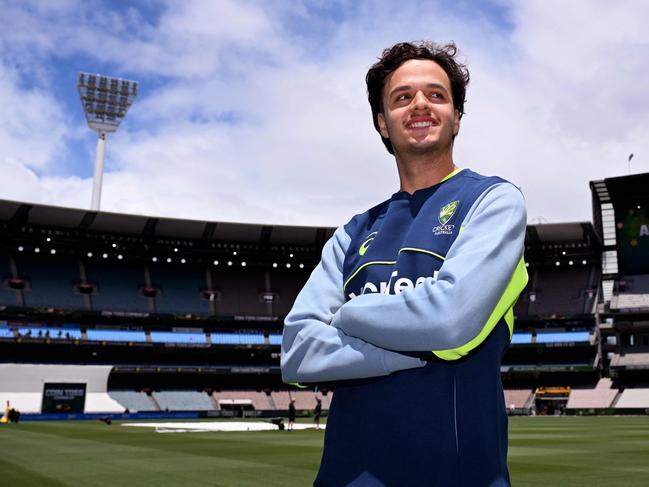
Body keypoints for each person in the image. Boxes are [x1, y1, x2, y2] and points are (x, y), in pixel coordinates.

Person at [281, 41, 527, 486]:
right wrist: (410, 349)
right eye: (402, 97)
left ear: (456, 117)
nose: (419, 105)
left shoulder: (493, 201)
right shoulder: (352, 232)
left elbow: (451, 319)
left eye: (436, 95)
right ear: (382, 123)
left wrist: (347, 316)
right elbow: (298, 352)